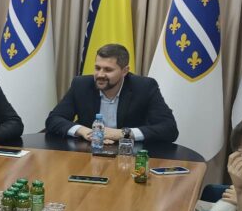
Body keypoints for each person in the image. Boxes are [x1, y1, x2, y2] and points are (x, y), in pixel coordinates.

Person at [45, 43, 178, 144]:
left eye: (108, 70)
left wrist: (123, 134)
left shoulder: (144, 87)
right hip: (88, 151)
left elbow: (169, 129)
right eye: (97, 68)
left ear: (124, 71)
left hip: (129, 154)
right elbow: (53, 120)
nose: (100, 74)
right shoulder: (81, 85)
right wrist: (84, 131)